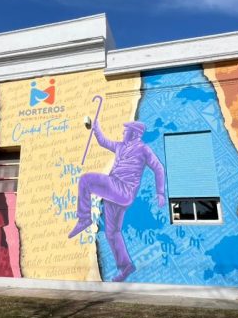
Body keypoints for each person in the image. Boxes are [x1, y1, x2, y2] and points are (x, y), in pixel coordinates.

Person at [68, 120, 165, 282]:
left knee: (86, 180)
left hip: (123, 189)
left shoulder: (143, 149)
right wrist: (96, 128)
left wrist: (160, 192)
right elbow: (103, 142)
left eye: (126, 130)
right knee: (112, 233)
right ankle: (126, 266)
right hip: (115, 194)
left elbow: (158, 168)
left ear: (134, 133)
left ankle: (84, 218)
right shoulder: (120, 146)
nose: (123, 132)